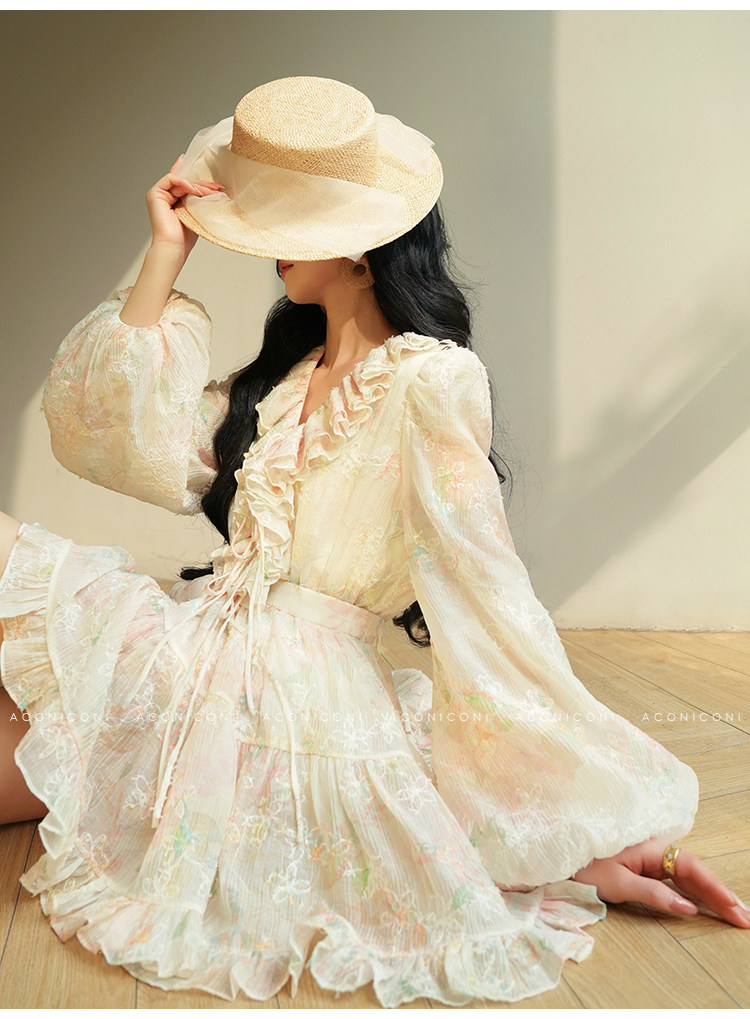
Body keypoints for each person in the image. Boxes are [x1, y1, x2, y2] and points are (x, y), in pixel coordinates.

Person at [0, 76, 747, 1008]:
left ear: (357, 246)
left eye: (287, 221)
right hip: (193, 650)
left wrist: (584, 829)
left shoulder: (432, 382)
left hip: (296, 701)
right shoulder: (279, 384)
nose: (266, 244)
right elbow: (116, 436)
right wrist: (165, 253)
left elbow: (488, 598)